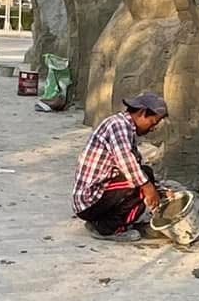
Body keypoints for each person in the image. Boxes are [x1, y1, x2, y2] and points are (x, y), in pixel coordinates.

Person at [72, 92, 168, 241]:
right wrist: (149, 188)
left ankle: (107, 221)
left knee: (145, 176)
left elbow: (136, 164)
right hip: (90, 200)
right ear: (142, 113)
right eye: (153, 122)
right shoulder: (118, 126)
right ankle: (107, 227)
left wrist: (162, 191)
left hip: (96, 196)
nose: (153, 128)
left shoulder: (125, 128)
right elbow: (127, 162)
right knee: (141, 181)